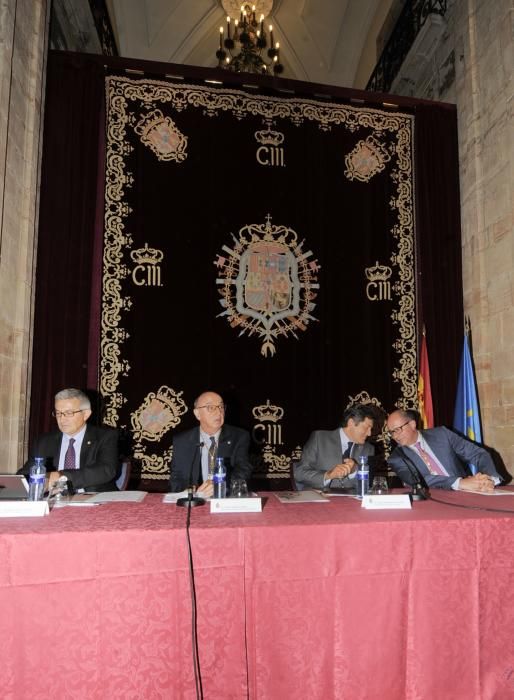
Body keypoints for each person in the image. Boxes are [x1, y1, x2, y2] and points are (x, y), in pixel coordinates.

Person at [19, 388, 118, 492]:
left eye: (69, 413)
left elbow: (106, 470)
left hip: (95, 500)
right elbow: (25, 474)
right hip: (53, 501)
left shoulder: (105, 437)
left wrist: (62, 477)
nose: (62, 419)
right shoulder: (44, 442)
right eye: (58, 413)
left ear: (86, 414)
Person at [386, 409, 501, 491]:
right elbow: (418, 480)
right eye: (392, 432)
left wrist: (488, 479)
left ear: (412, 424)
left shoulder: (442, 434)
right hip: (432, 503)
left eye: (398, 429)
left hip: (467, 493)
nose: (395, 436)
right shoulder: (397, 457)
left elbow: (478, 454)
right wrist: (459, 483)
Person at [169, 390, 253, 496]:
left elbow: (243, 470)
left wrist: (220, 486)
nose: (218, 412)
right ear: (197, 414)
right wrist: (193, 492)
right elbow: (176, 479)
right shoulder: (182, 441)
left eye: (221, 407)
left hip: (226, 500)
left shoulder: (239, 436)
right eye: (211, 408)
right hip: (196, 502)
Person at [294, 403, 376, 490]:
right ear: (351, 423)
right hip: (320, 500)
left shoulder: (369, 449)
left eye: (371, 429)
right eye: (366, 428)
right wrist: (328, 475)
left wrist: (354, 471)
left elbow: (367, 485)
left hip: (352, 502)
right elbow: (299, 473)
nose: (369, 433)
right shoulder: (319, 438)